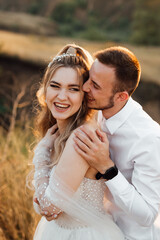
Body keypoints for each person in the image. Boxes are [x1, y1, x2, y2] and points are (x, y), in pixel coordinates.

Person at [32, 44, 124, 240]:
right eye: (55, 86)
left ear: (85, 95)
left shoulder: (81, 137)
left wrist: (41, 153)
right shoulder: (61, 134)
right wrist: (43, 196)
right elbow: (44, 204)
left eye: (73, 89)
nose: (62, 96)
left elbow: (48, 206)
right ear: (45, 88)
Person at [73, 46, 160, 240]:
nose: (86, 87)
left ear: (122, 97)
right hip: (97, 228)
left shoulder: (148, 138)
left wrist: (107, 168)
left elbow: (147, 215)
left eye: (95, 86)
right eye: (88, 78)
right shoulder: (96, 112)